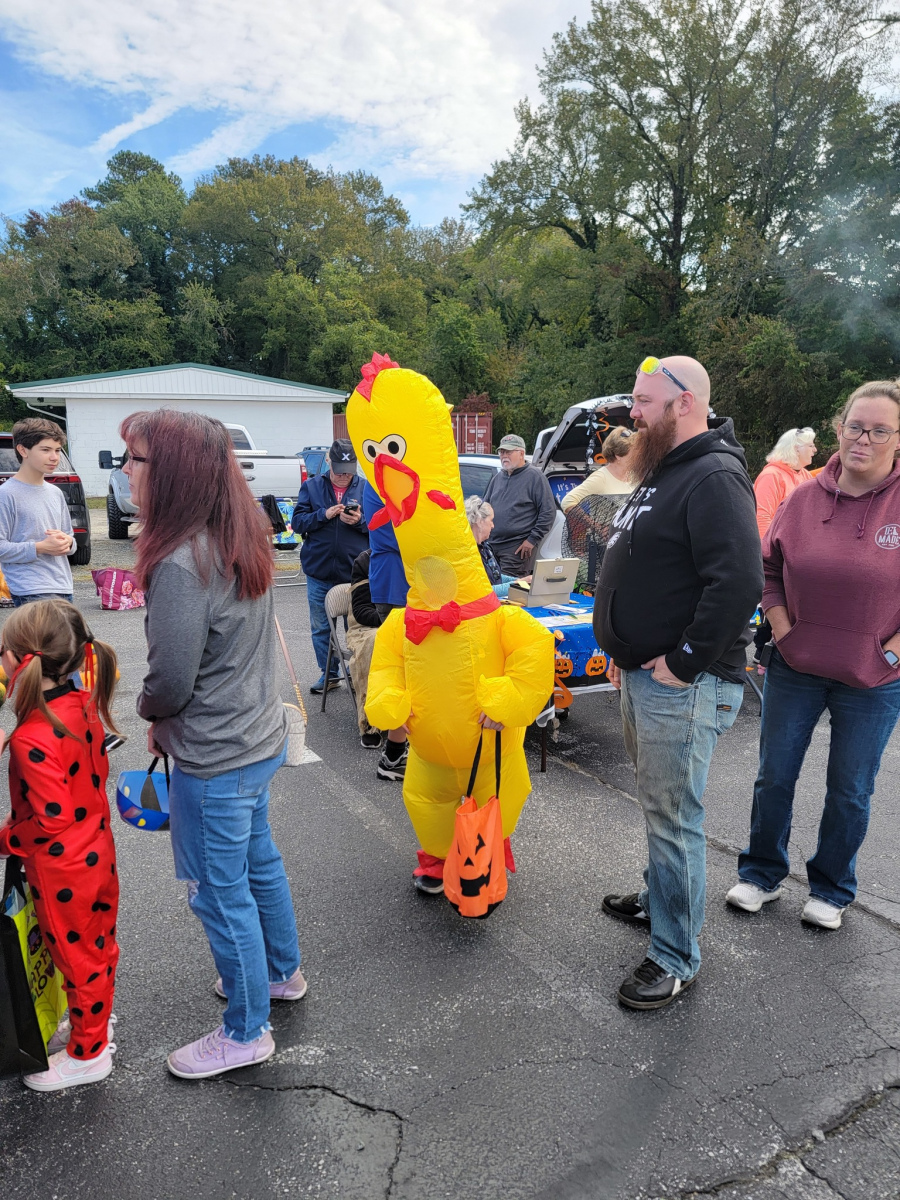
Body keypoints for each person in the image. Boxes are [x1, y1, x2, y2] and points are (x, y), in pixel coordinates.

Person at [122, 409, 304, 1080]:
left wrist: (149, 711)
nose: (126, 472)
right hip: (255, 738)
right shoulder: (239, 532)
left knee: (219, 894)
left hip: (214, 755)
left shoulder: (180, 560)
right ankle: (280, 974)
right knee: (258, 865)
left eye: (136, 459)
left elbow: (170, 679)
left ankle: (246, 1031)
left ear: (173, 472)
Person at [595, 355, 763, 1010]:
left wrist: (686, 660)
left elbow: (739, 582)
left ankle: (674, 956)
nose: (631, 413)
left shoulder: (714, 475)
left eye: (643, 401)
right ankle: (659, 899)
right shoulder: (667, 467)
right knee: (659, 808)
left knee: (673, 818)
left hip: (683, 686)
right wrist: (622, 643)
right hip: (648, 676)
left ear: (684, 402)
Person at [727, 381, 900, 931]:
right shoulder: (802, 498)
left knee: (850, 790)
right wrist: (782, 630)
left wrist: (892, 653)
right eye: (856, 427)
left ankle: (831, 887)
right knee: (774, 776)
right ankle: (761, 874)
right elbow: (768, 569)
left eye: (880, 431)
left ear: (898, 439)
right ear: (838, 429)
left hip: (873, 677)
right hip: (796, 667)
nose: (864, 440)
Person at [0, 599, 121, 1092]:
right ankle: (96, 1021)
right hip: (96, 853)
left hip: (62, 869)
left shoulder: (31, 736)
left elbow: (52, 818)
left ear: (19, 661)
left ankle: (89, 1054)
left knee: (75, 958)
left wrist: (7, 839)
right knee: (97, 948)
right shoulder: (83, 703)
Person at [291, 439, 368, 694]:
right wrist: (324, 515)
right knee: (321, 628)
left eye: (349, 471)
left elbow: (379, 528)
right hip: (319, 571)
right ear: (328, 462)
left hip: (354, 573)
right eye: (339, 470)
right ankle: (330, 674)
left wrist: (359, 521)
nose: (344, 476)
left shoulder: (366, 488)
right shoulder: (311, 486)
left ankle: (356, 673)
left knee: (355, 628)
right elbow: (298, 523)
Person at [751, 428, 817, 668]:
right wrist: (769, 555)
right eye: (810, 445)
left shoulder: (804, 475)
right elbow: (761, 516)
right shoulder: (772, 475)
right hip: (777, 555)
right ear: (796, 449)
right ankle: (762, 652)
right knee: (774, 599)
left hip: (799, 555)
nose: (815, 450)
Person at [0, 418, 76, 607]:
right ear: (23, 450)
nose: (54, 457)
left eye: (57, 450)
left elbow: (71, 540)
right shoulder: (6, 494)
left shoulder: (55, 493)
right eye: (45, 450)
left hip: (64, 587)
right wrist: (40, 547)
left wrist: (68, 542)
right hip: (29, 590)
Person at [362, 481, 409, 780]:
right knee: (402, 674)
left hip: (403, 585)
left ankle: (397, 752)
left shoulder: (394, 480)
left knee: (408, 673)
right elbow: (400, 536)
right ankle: (393, 756)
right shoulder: (378, 483)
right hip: (394, 586)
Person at [482, 433, 556, 577]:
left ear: (521, 453)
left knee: (510, 587)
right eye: (502, 452)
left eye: (508, 452)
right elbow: (485, 509)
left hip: (516, 548)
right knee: (491, 586)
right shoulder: (498, 478)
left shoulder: (535, 477)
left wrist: (532, 540)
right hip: (491, 546)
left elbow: (548, 512)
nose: (504, 456)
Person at [347, 548, 385, 748]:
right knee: (375, 642)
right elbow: (361, 610)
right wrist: (389, 620)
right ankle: (370, 722)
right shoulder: (366, 560)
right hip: (368, 625)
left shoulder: (416, 554)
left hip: (408, 619)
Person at [561, 427, 637, 512]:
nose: (638, 456)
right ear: (618, 456)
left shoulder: (635, 476)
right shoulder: (601, 478)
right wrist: (588, 520)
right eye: (634, 454)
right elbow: (567, 502)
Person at [465, 495, 519, 598]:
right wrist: (516, 584)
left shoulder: (484, 547)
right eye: (491, 520)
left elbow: (495, 576)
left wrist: (519, 581)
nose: (493, 525)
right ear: (480, 521)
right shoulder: (467, 553)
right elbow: (480, 591)